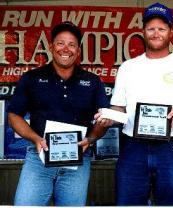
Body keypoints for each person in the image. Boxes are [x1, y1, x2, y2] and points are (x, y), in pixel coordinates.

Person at [94, 2, 173, 206]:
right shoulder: (128, 67)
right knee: (128, 203)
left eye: (162, 28)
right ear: (143, 31)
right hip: (133, 147)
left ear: (171, 32)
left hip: (172, 147)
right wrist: (108, 117)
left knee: (172, 203)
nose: (156, 33)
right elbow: (119, 107)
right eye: (151, 28)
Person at [7, 21, 110, 206]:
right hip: (39, 156)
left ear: (78, 50)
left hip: (78, 157)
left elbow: (103, 120)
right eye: (61, 43)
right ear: (52, 46)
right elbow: (14, 115)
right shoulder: (32, 78)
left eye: (72, 44)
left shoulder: (93, 81)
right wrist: (36, 139)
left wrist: (92, 139)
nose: (66, 49)